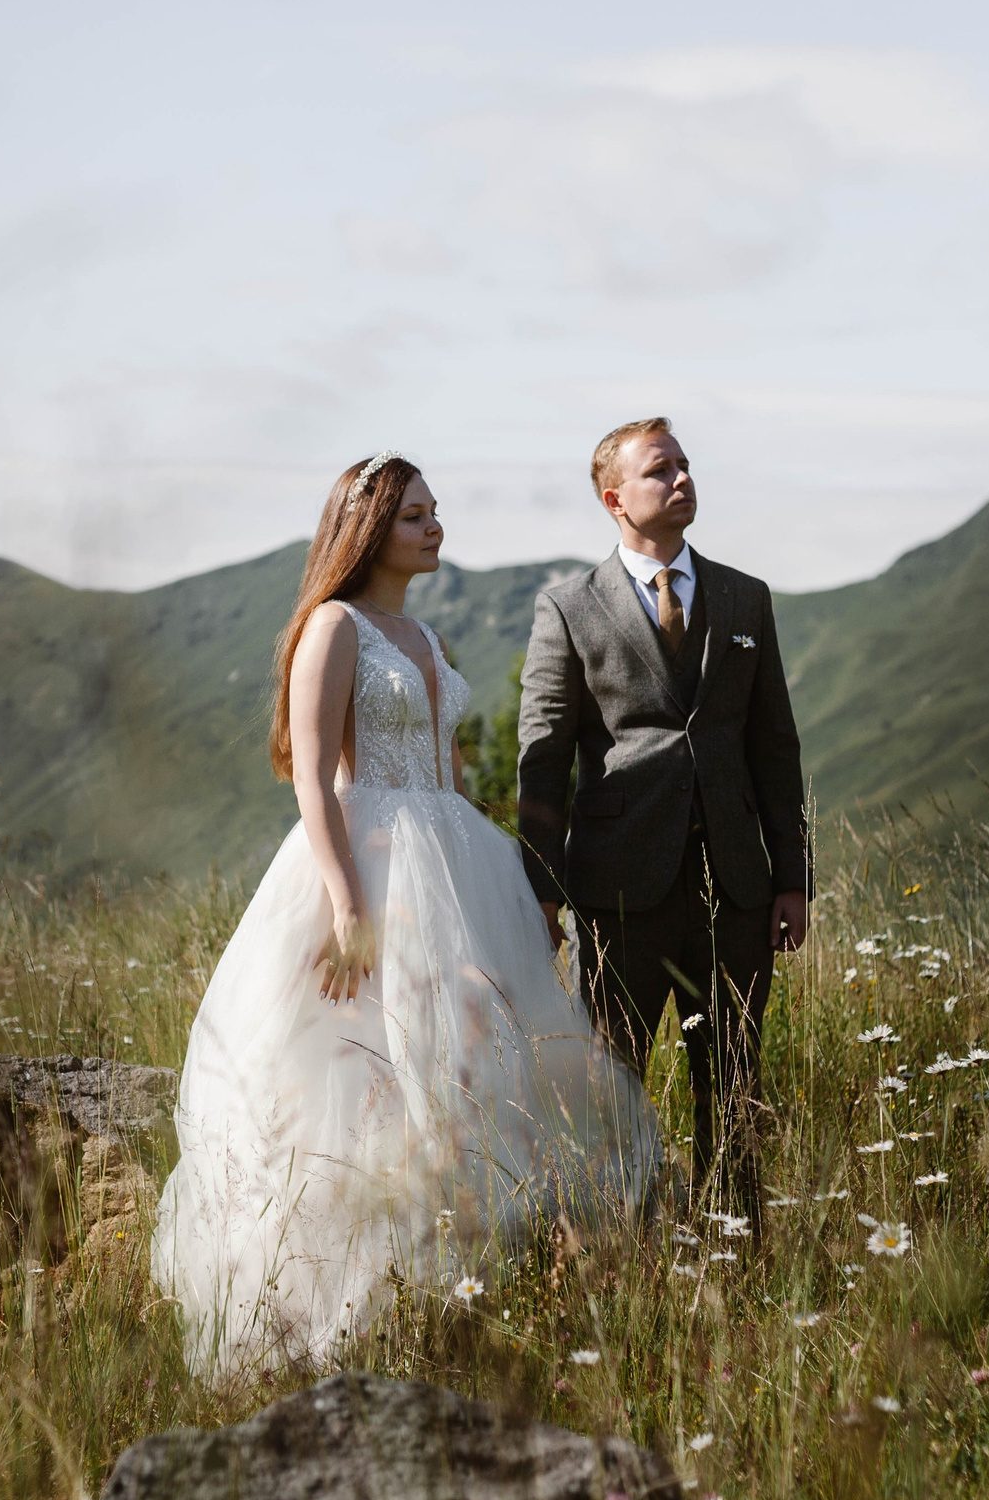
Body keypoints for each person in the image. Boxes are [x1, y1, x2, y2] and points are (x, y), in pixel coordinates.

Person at [152, 453, 662, 1380]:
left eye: (435, 511)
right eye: (416, 515)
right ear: (370, 529)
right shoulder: (333, 628)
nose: (436, 526)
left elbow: (448, 770)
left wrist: (494, 874)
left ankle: (465, 1270)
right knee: (362, 1076)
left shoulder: (423, 632)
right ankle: (336, 1297)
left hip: (451, 852)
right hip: (369, 862)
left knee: (468, 1054)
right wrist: (348, 901)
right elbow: (310, 774)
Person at [515, 417, 811, 1224]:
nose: (681, 478)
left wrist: (793, 877)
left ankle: (738, 1250)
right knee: (610, 1085)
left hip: (736, 889)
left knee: (737, 1081)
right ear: (616, 498)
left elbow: (774, 745)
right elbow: (541, 756)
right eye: (660, 470)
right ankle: (615, 1253)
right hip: (618, 892)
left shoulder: (746, 596)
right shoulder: (568, 607)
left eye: (685, 465)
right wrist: (540, 892)